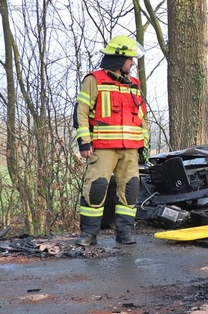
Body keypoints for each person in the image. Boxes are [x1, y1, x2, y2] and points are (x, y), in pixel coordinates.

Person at [73, 35, 149, 246]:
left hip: (131, 148)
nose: (133, 63)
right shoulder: (94, 79)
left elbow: (142, 115)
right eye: (130, 59)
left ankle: (124, 233)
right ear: (119, 58)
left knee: (131, 189)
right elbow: (81, 111)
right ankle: (89, 234)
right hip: (103, 147)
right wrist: (84, 141)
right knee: (96, 189)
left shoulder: (134, 83)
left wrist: (144, 144)